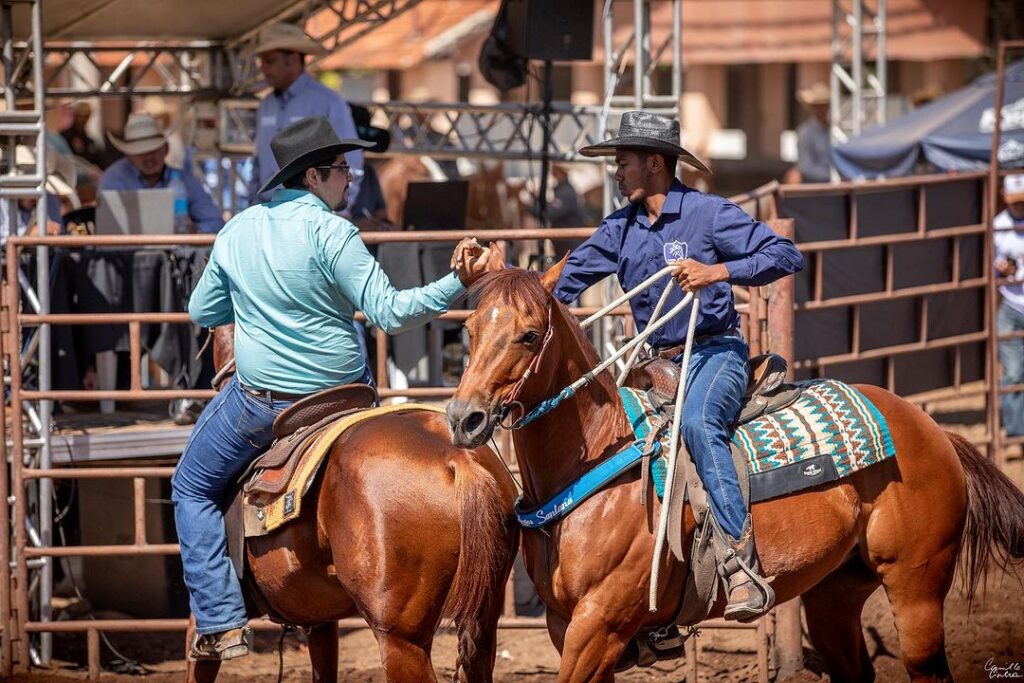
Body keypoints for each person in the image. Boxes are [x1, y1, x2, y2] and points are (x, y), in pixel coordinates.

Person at [173, 116, 491, 660]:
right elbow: (390, 312)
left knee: (192, 488)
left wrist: (256, 306)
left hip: (264, 404)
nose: (351, 178)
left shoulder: (237, 230)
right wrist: (457, 282)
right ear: (316, 176)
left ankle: (222, 619)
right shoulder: (334, 233)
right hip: (347, 397)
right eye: (344, 169)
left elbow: (202, 310)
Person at [553, 111, 804, 624]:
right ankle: (649, 582)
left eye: (622, 163)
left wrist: (719, 270)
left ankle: (740, 564)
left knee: (697, 423)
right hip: (654, 363)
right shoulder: (618, 228)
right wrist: (509, 286)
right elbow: (563, 280)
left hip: (715, 352)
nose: (616, 173)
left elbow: (786, 254)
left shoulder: (708, 214)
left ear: (654, 164)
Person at [248, 23, 363, 207]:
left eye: (269, 61)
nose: (263, 69)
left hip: (313, 212)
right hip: (269, 211)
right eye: (261, 62)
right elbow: (257, 162)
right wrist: (254, 207)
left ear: (292, 60)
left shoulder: (328, 101)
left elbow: (351, 163)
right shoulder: (265, 105)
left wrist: (338, 213)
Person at [100, 112, 224, 234]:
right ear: (129, 156)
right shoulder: (114, 179)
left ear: (166, 149)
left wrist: (195, 231)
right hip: (126, 253)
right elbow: (106, 230)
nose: (148, 158)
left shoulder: (184, 178)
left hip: (176, 252)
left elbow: (215, 222)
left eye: (154, 150)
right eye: (141, 152)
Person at [995, 174, 1024, 438]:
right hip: (1012, 303)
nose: (1019, 207)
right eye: (1015, 202)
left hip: (1014, 302)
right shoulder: (998, 226)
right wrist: (1000, 268)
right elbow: (991, 265)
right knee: (1013, 373)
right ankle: (1017, 434)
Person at [0, 144, 75, 244]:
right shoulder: (3, 197)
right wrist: (31, 233)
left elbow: (57, 229)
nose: (36, 194)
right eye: (29, 185)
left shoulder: (49, 195)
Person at [795, 82, 832, 184]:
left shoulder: (837, 131)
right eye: (818, 106)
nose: (822, 109)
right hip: (814, 186)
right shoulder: (805, 132)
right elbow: (805, 166)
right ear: (812, 108)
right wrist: (831, 175)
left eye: (824, 105)